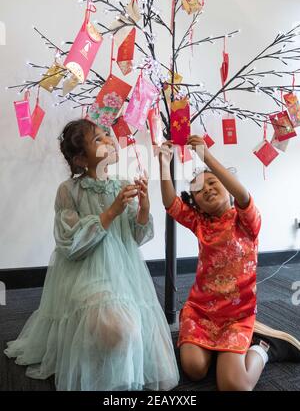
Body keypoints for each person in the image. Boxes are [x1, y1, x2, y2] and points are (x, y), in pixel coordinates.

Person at [4, 119, 179, 391]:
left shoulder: (120, 184)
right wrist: (112, 212)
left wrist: (143, 207)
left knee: (135, 333)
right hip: (84, 271)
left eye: (106, 135)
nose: (109, 140)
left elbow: (137, 236)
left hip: (124, 272)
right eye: (98, 140)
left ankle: (106, 359)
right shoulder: (69, 190)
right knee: (119, 330)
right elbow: (70, 243)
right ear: (81, 159)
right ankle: (94, 358)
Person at [159, 135, 300, 391]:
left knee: (234, 386)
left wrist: (207, 158)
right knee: (194, 370)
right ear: (197, 204)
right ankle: (221, 349)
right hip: (200, 312)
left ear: (225, 186)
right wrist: (163, 164)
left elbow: (243, 194)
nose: (207, 190)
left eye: (212, 182)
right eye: (199, 191)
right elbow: (170, 203)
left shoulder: (246, 220)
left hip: (237, 315)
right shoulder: (200, 222)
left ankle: (263, 347)